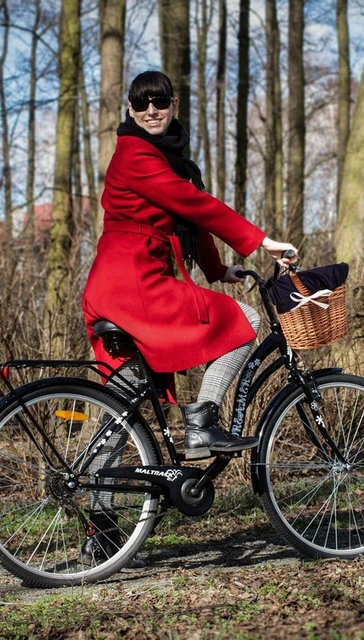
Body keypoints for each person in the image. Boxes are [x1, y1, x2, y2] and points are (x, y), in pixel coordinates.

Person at [82, 70, 298, 460]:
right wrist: (261, 242)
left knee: (124, 405)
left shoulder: (164, 156)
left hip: (120, 283)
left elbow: (189, 217)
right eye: (142, 104)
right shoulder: (136, 154)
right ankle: (201, 426)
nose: (152, 111)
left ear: (173, 106)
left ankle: (101, 511)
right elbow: (196, 204)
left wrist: (218, 270)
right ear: (130, 110)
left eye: (160, 102)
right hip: (133, 285)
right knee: (244, 321)